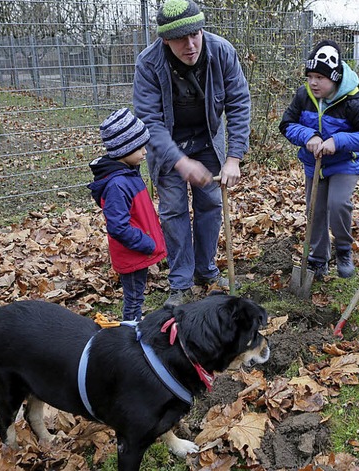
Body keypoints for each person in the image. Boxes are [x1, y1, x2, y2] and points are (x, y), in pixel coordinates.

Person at [133, 0, 251, 308]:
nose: (191, 44)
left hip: (208, 139)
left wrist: (233, 158)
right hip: (168, 144)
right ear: (165, 40)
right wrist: (180, 161)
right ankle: (181, 283)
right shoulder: (148, 64)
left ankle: (206, 271)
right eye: (181, 39)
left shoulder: (221, 51)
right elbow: (150, 121)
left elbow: (239, 103)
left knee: (211, 203)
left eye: (195, 34)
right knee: (173, 210)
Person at [279, 40, 359, 280]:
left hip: (344, 163)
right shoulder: (304, 95)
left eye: (320, 77)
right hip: (313, 162)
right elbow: (286, 124)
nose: (313, 82)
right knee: (315, 209)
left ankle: (344, 250)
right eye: (310, 76)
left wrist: (337, 141)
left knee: (338, 204)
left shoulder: (352, 100)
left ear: (335, 78)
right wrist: (308, 136)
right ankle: (318, 258)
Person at [88, 108, 167, 322]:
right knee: (133, 299)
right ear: (124, 149)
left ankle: (135, 326)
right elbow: (118, 227)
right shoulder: (117, 185)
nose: (145, 152)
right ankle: (130, 333)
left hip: (137, 250)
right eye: (140, 147)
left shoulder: (128, 174)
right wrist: (147, 244)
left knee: (137, 296)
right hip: (132, 253)